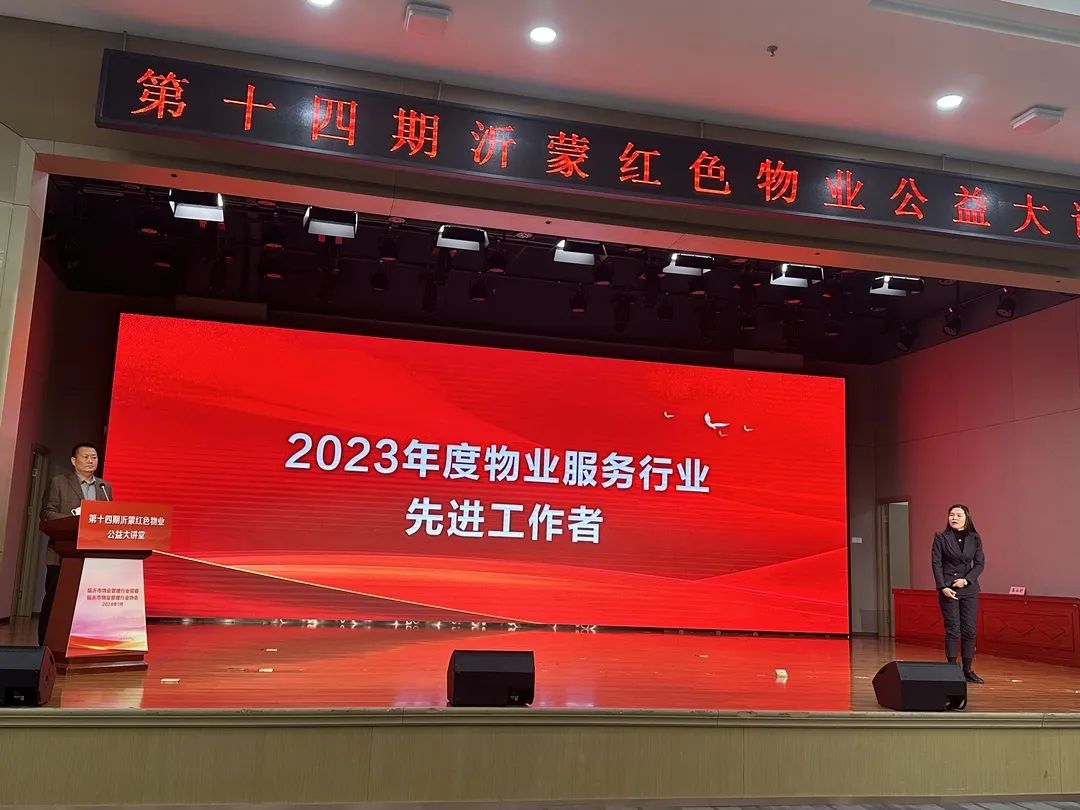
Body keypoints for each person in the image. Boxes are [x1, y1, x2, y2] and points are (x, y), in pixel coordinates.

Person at [38, 442, 113, 647]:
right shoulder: (59, 482)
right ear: (74, 461)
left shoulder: (104, 487)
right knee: (55, 601)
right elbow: (47, 513)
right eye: (85, 457)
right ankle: (45, 646)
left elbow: (107, 518)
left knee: (87, 604)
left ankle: (83, 644)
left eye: (94, 457)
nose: (90, 461)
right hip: (62, 554)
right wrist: (75, 517)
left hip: (94, 556)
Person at [931, 503, 985, 683]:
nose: (954, 518)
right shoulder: (941, 537)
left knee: (969, 630)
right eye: (951, 515)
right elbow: (936, 564)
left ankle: (967, 670)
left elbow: (979, 564)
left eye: (958, 515)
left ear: (966, 518)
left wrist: (967, 580)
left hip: (969, 588)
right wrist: (942, 587)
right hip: (949, 588)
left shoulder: (974, 538)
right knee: (953, 630)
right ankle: (952, 669)